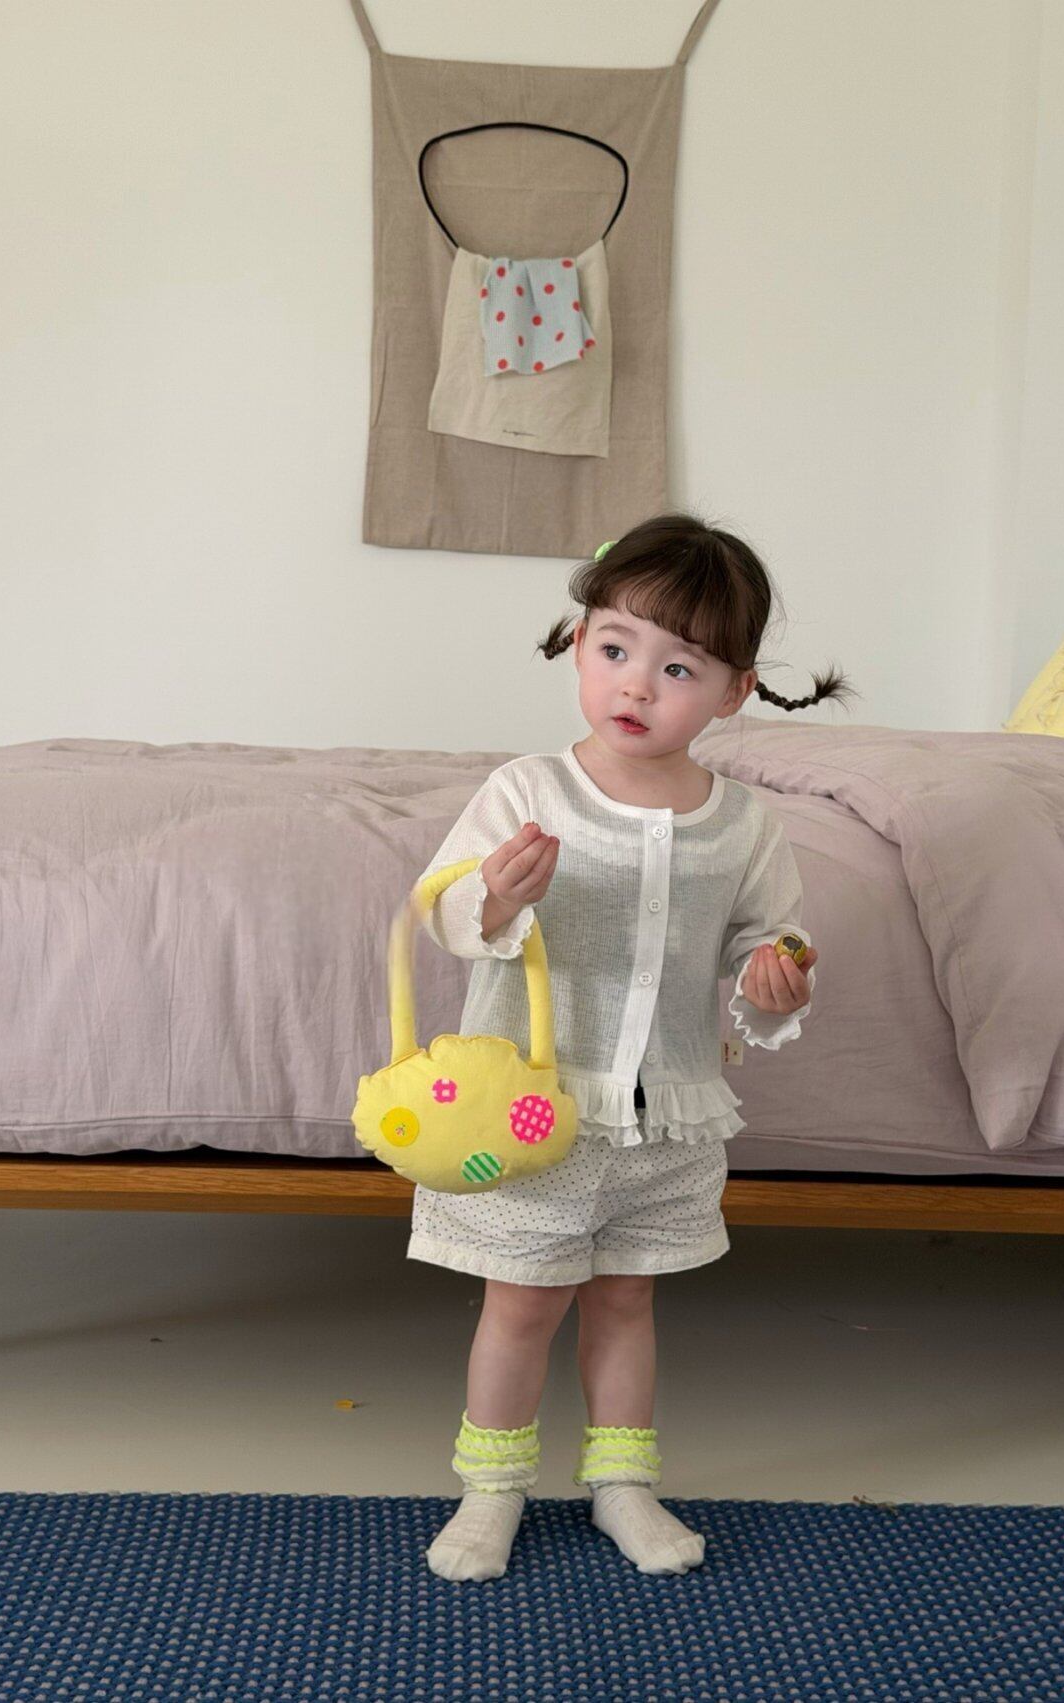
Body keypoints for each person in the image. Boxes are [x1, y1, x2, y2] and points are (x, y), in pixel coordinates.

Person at [407, 512, 855, 1582]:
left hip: (669, 1112)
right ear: (579, 644)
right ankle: (491, 1489)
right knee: (522, 1300)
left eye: (678, 668)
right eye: (614, 648)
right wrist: (493, 896)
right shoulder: (528, 789)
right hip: (539, 1108)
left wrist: (776, 973)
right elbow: (443, 909)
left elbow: (768, 938)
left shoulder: (743, 823)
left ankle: (622, 1485)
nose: (637, 686)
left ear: (735, 692)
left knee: (626, 1297)